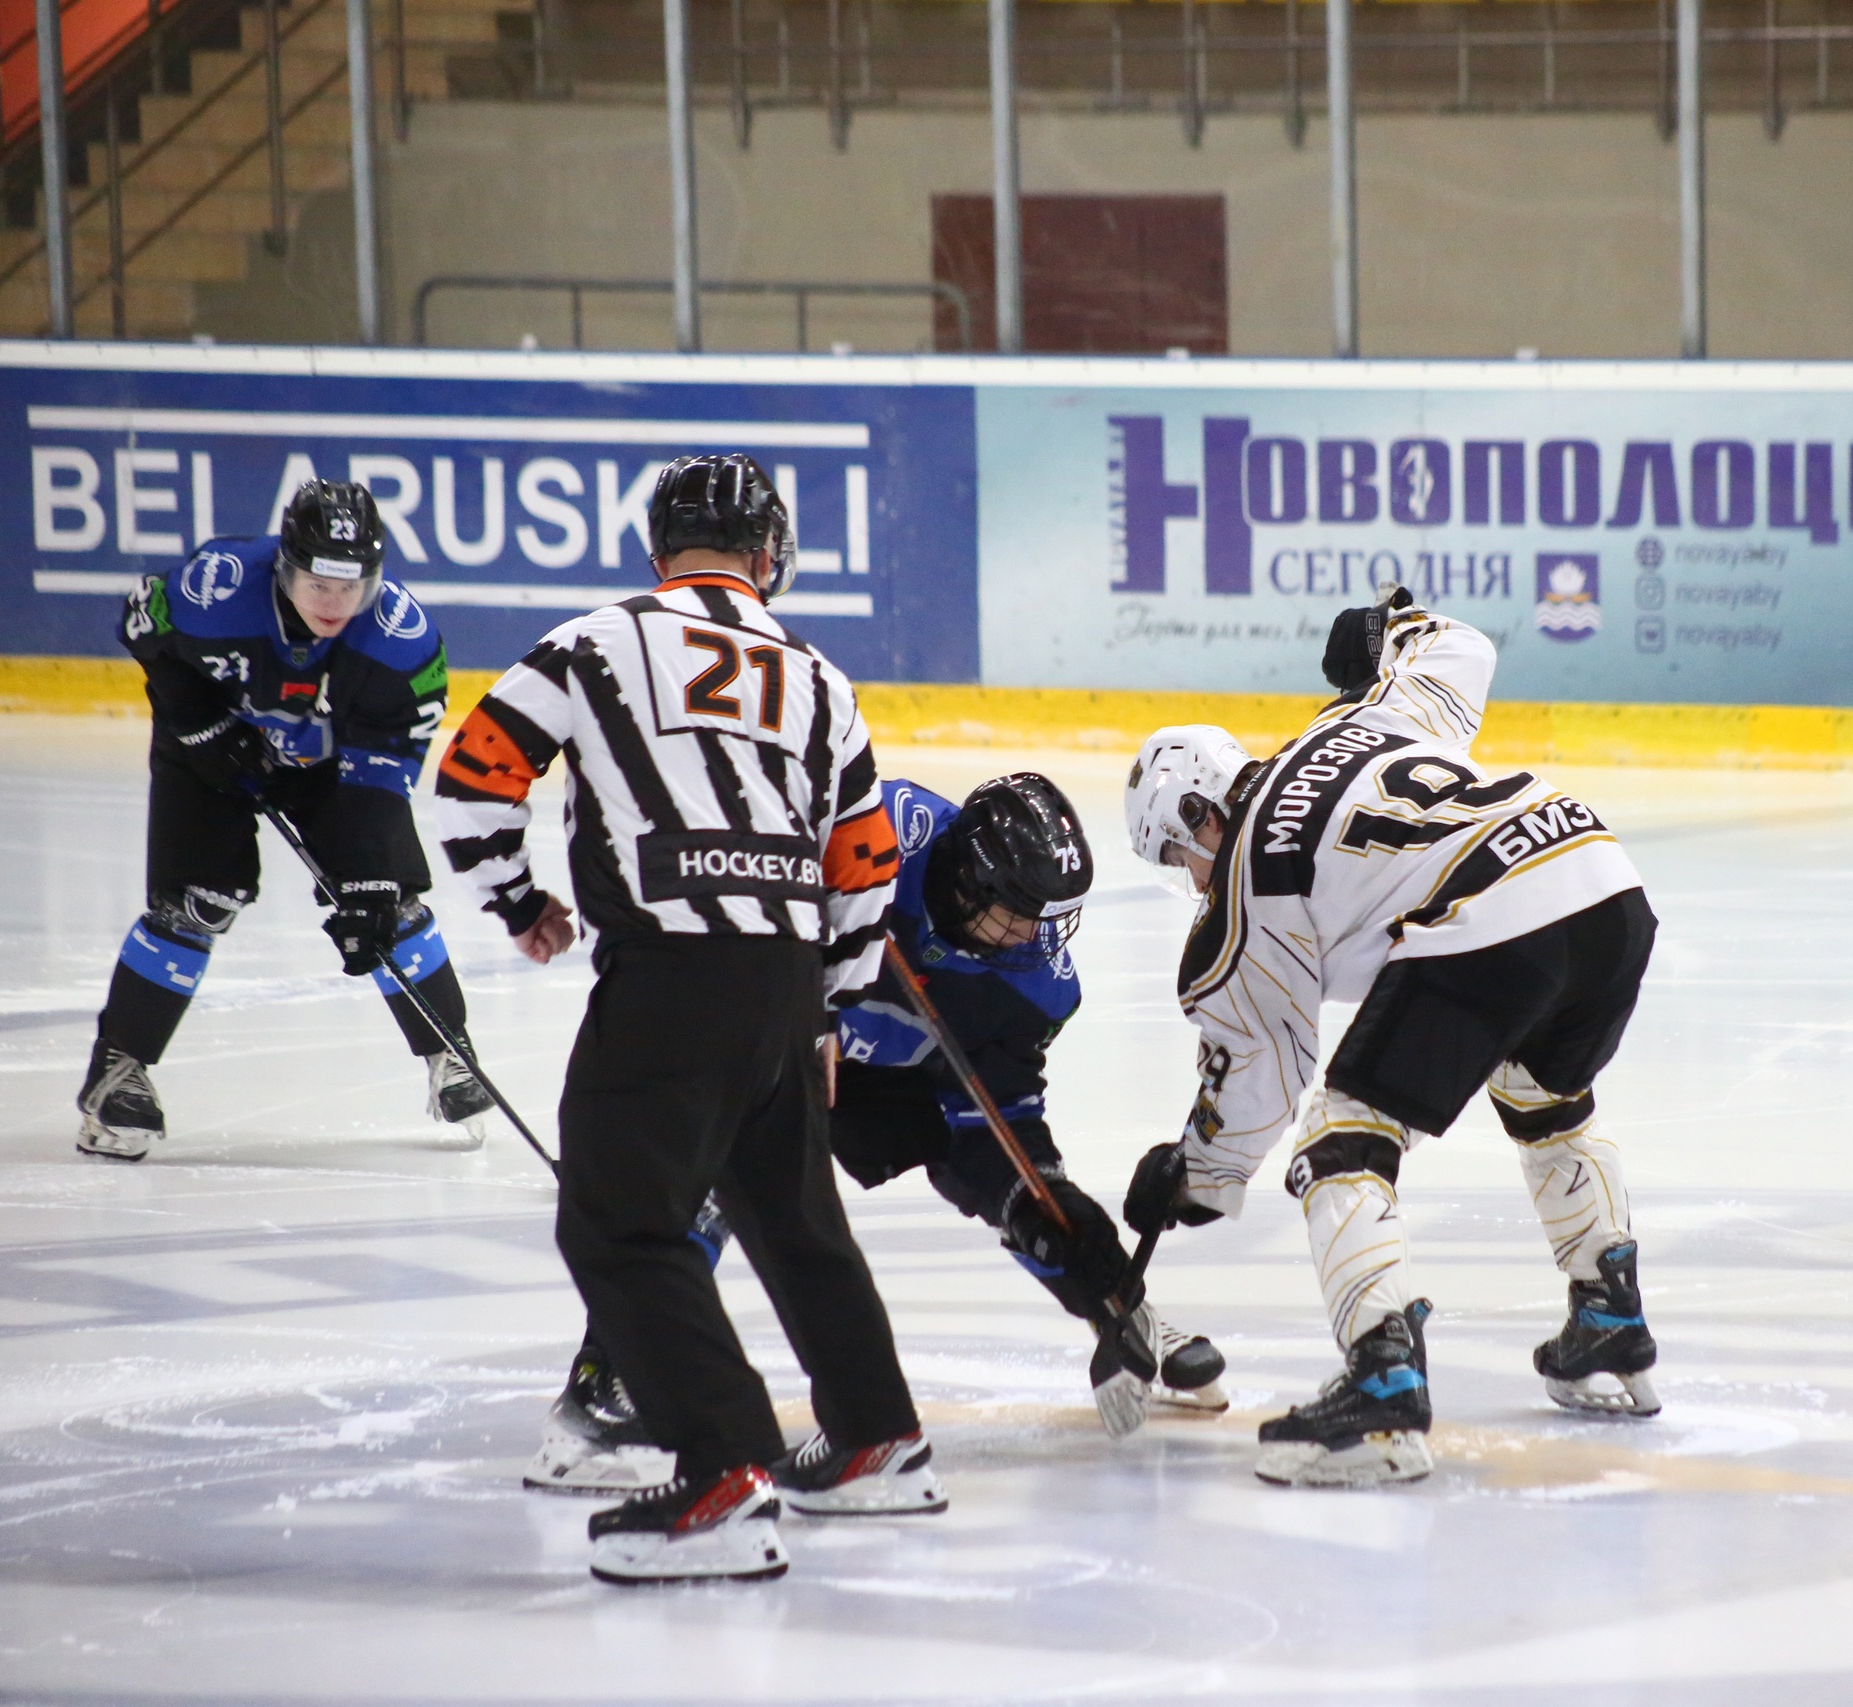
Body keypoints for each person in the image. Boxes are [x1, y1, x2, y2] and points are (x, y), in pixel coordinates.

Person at [434, 454, 933, 1585]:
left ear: (659, 551)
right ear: (770, 556)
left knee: (619, 1224)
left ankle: (723, 1473)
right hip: (785, 985)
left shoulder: (592, 642)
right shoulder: (819, 676)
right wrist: (831, 1009)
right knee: (793, 1220)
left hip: (668, 977)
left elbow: (472, 777)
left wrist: (518, 901)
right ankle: (877, 1438)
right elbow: (865, 861)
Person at [522, 770, 1227, 1493]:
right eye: (1016, 912)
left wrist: (1054, 1214)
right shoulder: (877, 834)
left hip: (891, 1078)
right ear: (967, 882)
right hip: (779, 1028)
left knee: (1022, 1195)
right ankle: (610, 1377)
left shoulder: (1032, 984)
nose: (1031, 936)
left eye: (1045, 918)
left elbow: (998, 1116)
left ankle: (1123, 1313)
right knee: (708, 1167)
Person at [1118, 590, 1661, 1490]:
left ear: (1199, 813)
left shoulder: (1247, 882)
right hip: (1600, 875)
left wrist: (1196, 1175)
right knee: (1541, 1090)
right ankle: (1609, 1315)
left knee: (1341, 1137)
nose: (1193, 879)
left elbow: (1262, 1073)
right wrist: (1389, 626)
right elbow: (1464, 649)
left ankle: (1383, 1386)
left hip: (1491, 914)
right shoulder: (1361, 715)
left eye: (1180, 856)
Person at [77, 479, 494, 1161]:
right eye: (317, 584)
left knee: (390, 904)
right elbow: (143, 626)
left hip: (329, 765)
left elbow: (383, 769)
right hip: (210, 754)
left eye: (350, 586)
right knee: (198, 901)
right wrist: (200, 724)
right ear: (284, 567)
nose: (334, 603)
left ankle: (450, 1050)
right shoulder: (218, 586)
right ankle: (117, 1070)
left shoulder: (401, 641)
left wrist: (367, 881)